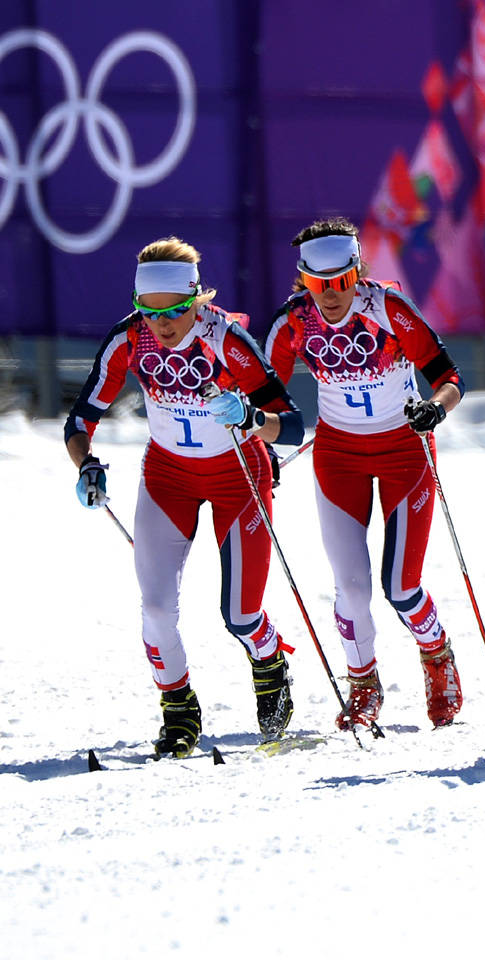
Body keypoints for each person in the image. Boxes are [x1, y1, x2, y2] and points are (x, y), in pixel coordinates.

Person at [65, 237, 305, 757]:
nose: (161, 325)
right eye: (149, 313)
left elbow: (292, 425)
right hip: (168, 479)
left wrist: (249, 418)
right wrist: (86, 464)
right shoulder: (130, 339)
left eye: (174, 312)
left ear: (195, 299)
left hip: (239, 478)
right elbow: (81, 418)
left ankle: (269, 663)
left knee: (241, 615)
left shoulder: (227, 340)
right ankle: (178, 711)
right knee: (155, 608)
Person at [264, 217, 466, 730]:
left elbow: (448, 378)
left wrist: (435, 409)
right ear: (303, 280)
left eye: (341, 282)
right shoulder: (292, 323)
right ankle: (363, 686)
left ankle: (436, 653)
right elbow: (264, 402)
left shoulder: (389, 309)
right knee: (350, 588)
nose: (330, 295)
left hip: (405, 452)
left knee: (402, 586)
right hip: (339, 457)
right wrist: (259, 443)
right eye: (317, 284)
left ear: (357, 272)